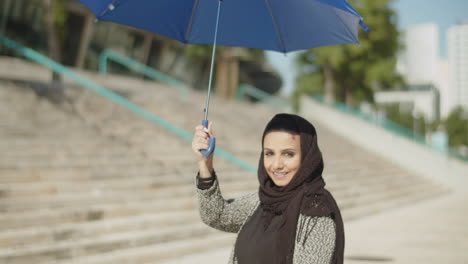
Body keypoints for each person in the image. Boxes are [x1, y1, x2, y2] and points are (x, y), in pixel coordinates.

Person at [191, 113, 344, 264]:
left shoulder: (317, 212)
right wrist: (205, 165)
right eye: (269, 153)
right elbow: (216, 215)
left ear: (307, 156)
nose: (276, 164)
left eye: (288, 154)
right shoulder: (262, 201)